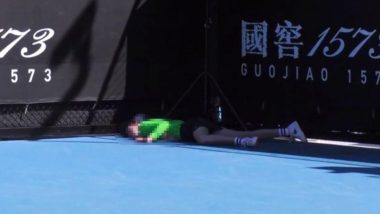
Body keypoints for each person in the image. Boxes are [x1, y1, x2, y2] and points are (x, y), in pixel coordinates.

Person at [123, 114, 307, 147]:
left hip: (193, 127)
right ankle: (287, 130)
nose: (130, 132)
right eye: (128, 133)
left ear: (134, 123)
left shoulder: (144, 126)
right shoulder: (142, 131)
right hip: (196, 125)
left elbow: (163, 123)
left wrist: (150, 138)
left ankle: (241, 143)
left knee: (203, 140)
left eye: (129, 129)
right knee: (245, 133)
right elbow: (169, 129)